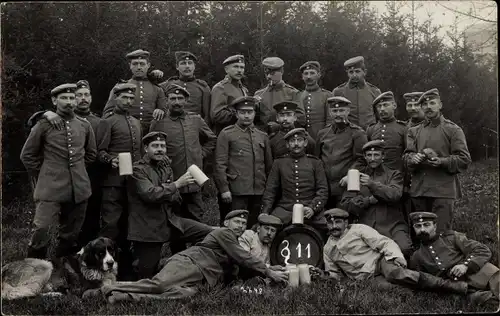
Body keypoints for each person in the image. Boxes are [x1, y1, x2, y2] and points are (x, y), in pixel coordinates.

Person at [100, 210, 289, 304]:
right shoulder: (224, 233)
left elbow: (241, 262)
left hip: (202, 276)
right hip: (190, 263)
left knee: (183, 294)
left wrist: (270, 270)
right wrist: (268, 270)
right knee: (160, 285)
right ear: (226, 222)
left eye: (243, 223)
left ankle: (123, 296)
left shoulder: (235, 242)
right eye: (236, 222)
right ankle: (111, 286)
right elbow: (242, 257)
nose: (240, 226)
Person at [311, 208, 469, 295]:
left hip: (381, 263)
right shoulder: (327, 248)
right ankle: (441, 293)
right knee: (398, 291)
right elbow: (335, 274)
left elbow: (384, 242)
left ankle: (450, 286)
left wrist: (396, 257)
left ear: (346, 222)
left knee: (396, 274)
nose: (334, 227)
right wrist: (325, 276)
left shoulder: (358, 230)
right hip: (366, 278)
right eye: (330, 223)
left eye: (338, 222)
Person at [20, 83, 97, 259]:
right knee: (42, 230)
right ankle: (34, 270)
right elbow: (27, 156)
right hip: (50, 189)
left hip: (79, 189)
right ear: (54, 100)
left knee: (70, 235)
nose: (69, 102)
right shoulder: (44, 125)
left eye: (72, 98)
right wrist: (46, 173)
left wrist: (77, 172)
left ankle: (62, 271)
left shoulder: (84, 125)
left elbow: (91, 154)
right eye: (64, 98)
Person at [127, 131, 213, 280]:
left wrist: (170, 190)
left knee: (208, 233)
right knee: (146, 274)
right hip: (148, 227)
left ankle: (188, 265)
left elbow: (175, 198)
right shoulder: (137, 169)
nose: (160, 149)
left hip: (170, 221)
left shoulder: (165, 167)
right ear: (146, 149)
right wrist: (176, 185)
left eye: (162, 146)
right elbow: (150, 195)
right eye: (155, 146)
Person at [404, 88, 471, 232]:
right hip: (419, 191)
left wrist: (442, 161)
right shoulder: (413, 131)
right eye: (425, 105)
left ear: (440, 105)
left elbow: (464, 159)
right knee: (422, 234)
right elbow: (406, 156)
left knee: (442, 234)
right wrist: (412, 158)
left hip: (443, 191)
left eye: (432, 103)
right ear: (421, 107)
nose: (428, 107)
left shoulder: (453, 129)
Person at [149, 84, 216, 223]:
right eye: (173, 98)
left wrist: (200, 153)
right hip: (172, 179)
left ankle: (197, 245)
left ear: (186, 101)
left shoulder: (195, 120)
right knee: (175, 220)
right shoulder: (159, 122)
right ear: (166, 101)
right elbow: (150, 146)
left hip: (194, 178)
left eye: (180, 98)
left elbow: (211, 139)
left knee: (197, 218)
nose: (177, 102)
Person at [96, 83, 143, 280]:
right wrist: (110, 160)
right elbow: (99, 152)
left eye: (131, 98)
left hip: (130, 182)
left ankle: (123, 268)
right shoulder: (108, 121)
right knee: (111, 224)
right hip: (112, 182)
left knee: (127, 224)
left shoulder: (136, 122)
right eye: (124, 98)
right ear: (115, 98)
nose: (128, 101)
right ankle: (102, 268)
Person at [340, 140, 412, 258]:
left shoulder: (394, 174)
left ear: (383, 156)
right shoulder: (355, 177)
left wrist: (371, 184)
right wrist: (367, 201)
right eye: (369, 155)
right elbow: (346, 205)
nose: (372, 159)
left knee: (404, 248)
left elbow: (395, 195)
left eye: (376, 155)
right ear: (364, 157)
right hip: (366, 227)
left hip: (392, 225)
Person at [409, 212, 499, 306]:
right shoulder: (417, 256)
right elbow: (423, 281)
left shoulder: (451, 238)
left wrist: (465, 265)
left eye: (426, 225)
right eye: (418, 226)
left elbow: (483, 250)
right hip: (460, 288)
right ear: (414, 229)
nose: (422, 229)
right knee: (482, 299)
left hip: (483, 273)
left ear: (435, 226)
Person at [214, 96, 273, 227]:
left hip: (258, 190)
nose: (246, 116)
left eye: (250, 112)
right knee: (233, 226)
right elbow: (220, 164)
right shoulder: (227, 134)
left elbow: (269, 166)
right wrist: (224, 189)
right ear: (236, 114)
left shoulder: (262, 136)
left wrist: (268, 191)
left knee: (254, 226)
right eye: (242, 112)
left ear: (254, 113)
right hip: (236, 190)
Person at [262, 128, 328, 231]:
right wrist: (265, 211)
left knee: (327, 230)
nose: (296, 144)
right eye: (292, 141)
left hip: (309, 208)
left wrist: (313, 208)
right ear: (287, 145)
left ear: (305, 142)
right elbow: (270, 190)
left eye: (299, 140)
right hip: (285, 209)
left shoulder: (315, 163)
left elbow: (323, 190)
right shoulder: (279, 163)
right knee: (268, 227)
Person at [316, 96, 367, 207]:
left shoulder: (357, 133)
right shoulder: (323, 133)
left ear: (348, 111)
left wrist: (350, 175)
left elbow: (361, 159)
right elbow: (317, 159)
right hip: (324, 187)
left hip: (345, 185)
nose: (338, 114)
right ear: (330, 112)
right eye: (334, 111)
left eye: (341, 110)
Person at [101, 49, 167, 134]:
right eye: (135, 64)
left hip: (151, 133)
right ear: (130, 65)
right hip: (126, 132)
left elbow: (164, 113)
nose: (139, 67)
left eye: (142, 64)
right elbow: (108, 113)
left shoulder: (157, 89)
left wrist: (160, 110)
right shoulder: (120, 87)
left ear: (148, 65)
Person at [151, 51, 211, 123]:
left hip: (194, 126)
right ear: (177, 67)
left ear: (194, 66)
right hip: (171, 125)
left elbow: (207, 115)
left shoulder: (202, 87)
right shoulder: (167, 85)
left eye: (190, 63)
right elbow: (151, 89)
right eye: (183, 63)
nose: (187, 66)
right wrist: (152, 76)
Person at [254, 57, 303, 132]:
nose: (269, 76)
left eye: (272, 73)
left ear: (282, 71)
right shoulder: (259, 94)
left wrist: (281, 126)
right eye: (266, 73)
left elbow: (301, 118)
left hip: (286, 136)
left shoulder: (293, 93)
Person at [332, 56, 381, 130]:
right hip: (348, 134)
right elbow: (333, 116)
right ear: (347, 73)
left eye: (357, 71)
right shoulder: (338, 92)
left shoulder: (374, 91)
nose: (354, 75)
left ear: (364, 72)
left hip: (370, 133)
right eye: (351, 72)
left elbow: (380, 117)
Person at [366, 91, 407, 171]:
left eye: (385, 105)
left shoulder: (403, 128)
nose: (382, 109)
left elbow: (407, 155)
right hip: (376, 175)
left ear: (394, 106)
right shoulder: (371, 129)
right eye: (379, 106)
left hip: (397, 175)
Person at [210, 54, 249, 135]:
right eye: (235, 67)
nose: (239, 70)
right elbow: (216, 115)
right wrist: (240, 114)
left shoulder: (243, 89)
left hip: (242, 133)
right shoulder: (220, 88)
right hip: (226, 134)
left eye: (242, 67)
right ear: (226, 69)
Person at [298, 61, 333, 140]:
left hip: (322, 137)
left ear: (319, 75)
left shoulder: (327, 95)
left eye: (312, 73)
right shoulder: (298, 96)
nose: (309, 77)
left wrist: (325, 137)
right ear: (302, 77)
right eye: (306, 74)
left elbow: (330, 122)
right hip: (302, 139)